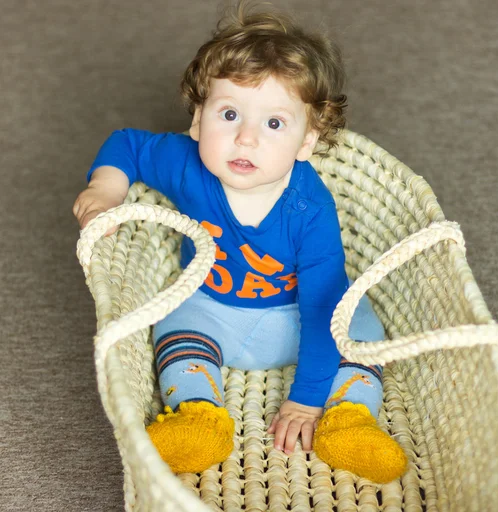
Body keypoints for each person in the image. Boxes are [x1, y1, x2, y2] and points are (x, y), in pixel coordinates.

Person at [73, 0, 407, 483]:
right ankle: (199, 415)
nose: (246, 139)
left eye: (274, 123)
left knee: (358, 326)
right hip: (211, 310)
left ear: (307, 142)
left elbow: (321, 309)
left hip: (298, 316)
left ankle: (350, 417)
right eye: (229, 114)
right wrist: (107, 188)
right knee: (172, 328)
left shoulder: (309, 209)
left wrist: (307, 399)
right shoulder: (188, 165)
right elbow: (127, 145)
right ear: (197, 120)